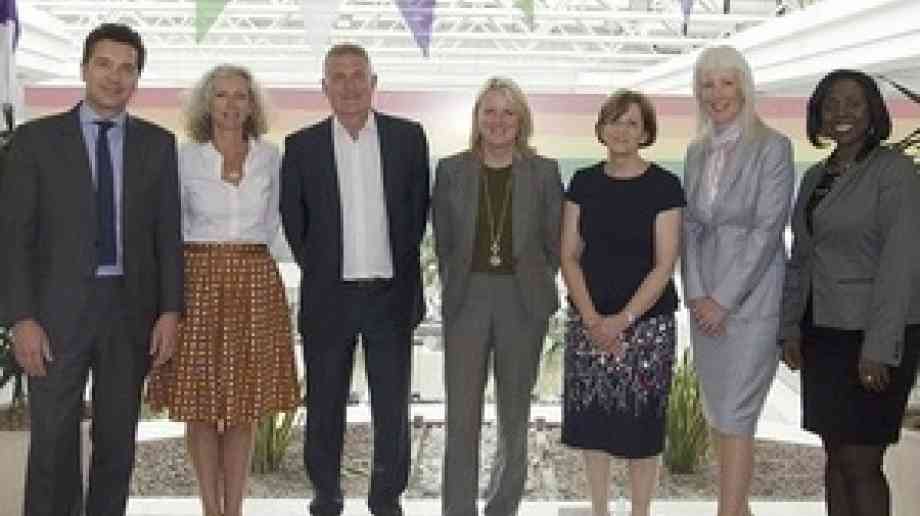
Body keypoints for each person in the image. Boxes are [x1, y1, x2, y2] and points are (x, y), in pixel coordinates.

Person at [0, 23, 183, 516]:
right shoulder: (35, 141)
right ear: (84, 69)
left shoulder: (158, 145)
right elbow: (14, 238)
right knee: (52, 442)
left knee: (117, 442)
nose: (114, 76)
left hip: (130, 312)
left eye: (127, 68)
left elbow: (167, 236)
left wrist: (170, 311)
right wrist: (21, 318)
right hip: (54, 314)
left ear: (137, 78)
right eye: (104, 64)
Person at [279, 43, 430, 516]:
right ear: (324, 87)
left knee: (392, 407)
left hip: (391, 295)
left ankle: (386, 498)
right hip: (329, 297)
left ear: (373, 83)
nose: (349, 85)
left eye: (357, 75)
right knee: (325, 405)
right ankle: (326, 495)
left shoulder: (408, 138)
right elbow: (294, 220)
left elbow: (416, 212)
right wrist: (323, 268)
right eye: (338, 77)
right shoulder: (301, 147)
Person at [146, 64, 300, 516]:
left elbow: (272, 222)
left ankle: (234, 510)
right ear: (206, 103)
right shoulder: (184, 158)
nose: (231, 104)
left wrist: (245, 263)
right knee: (200, 406)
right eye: (221, 95)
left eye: (240, 96)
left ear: (252, 105)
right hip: (197, 282)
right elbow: (169, 227)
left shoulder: (270, 157)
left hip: (254, 280)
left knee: (243, 407)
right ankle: (210, 509)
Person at [781, 69, 920, 516]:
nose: (842, 113)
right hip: (823, 333)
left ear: (873, 111)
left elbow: (900, 265)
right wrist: (790, 328)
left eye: (854, 103)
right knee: (836, 457)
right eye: (831, 104)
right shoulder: (814, 177)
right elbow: (801, 257)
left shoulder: (895, 172)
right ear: (818, 115)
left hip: (873, 335)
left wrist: (879, 348)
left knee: (861, 462)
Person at [432, 76, 563, 516]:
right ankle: (458, 509)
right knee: (461, 416)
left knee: (514, 414)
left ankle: (503, 505)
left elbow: (554, 242)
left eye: (509, 112)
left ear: (522, 120)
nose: (499, 120)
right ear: (477, 118)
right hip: (467, 298)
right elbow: (445, 242)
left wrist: (535, 280)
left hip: (522, 302)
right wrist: (460, 281)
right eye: (489, 111)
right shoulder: (451, 171)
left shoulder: (544, 173)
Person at [681, 45, 795, 516]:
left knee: (737, 415)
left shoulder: (773, 147)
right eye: (707, 84)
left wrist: (723, 300)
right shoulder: (695, 150)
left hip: (751, 303)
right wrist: (696, 294)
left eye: (726, 82)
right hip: (704, 301)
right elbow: (689, 226)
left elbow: (768, 232)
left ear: (744, 87)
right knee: (717, 415)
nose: (717, 93)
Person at [560, 89, 684, 516]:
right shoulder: (583, 182)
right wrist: (593, 320)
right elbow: (568, 255)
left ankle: (640, 511)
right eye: (614, 120)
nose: (622, 130)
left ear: (646, 132)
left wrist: (623, 320)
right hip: (588, 321)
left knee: (641, 427)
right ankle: (599, 509)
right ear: (601, 128)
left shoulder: (665, 186)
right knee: (593, 424)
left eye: (632, 122)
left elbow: (665, 264)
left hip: (647, 326)